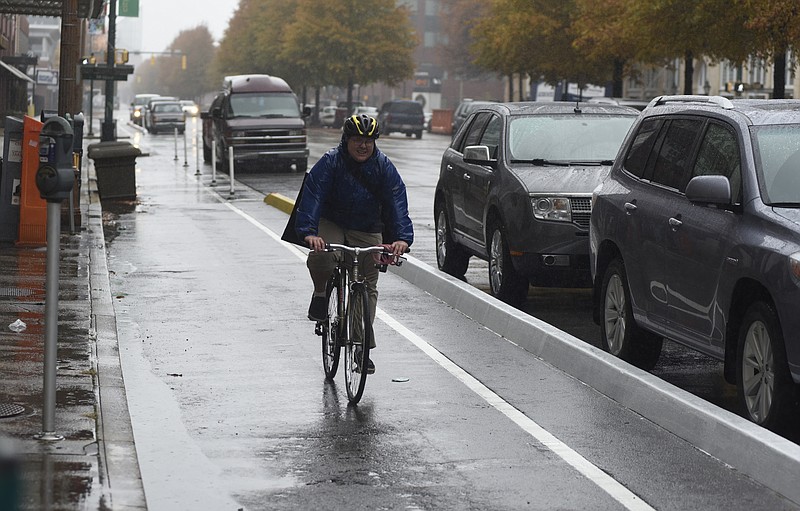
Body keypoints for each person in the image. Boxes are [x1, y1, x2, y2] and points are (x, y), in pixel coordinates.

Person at [294, 113, 414, 373]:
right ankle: (320, 293)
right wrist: (309, 232)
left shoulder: (384, 167)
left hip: (367, 227)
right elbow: (313, 196)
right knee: (323, 256)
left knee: (367, 285)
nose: (363, 146)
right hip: (332, 222)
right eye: (358, 140)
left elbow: (396, 203)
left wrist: (402, 239)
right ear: (346, 140)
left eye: (369, 141)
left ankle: (361, 347)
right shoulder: (330, 162)